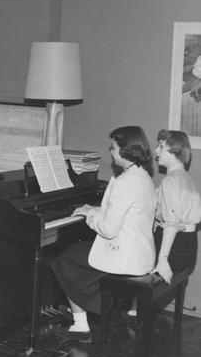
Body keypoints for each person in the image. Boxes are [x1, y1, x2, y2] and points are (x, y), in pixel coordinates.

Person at [50, 126, 157, 343]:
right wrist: (94, 209)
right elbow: (127, 214)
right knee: (79, 254)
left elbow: (108, 229)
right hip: (140, 253)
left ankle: (80, 325)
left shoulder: (125, 182)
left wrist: (89, 216)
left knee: (64, 260)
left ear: (126, 150)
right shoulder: (142, 176)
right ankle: (95, 307)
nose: (111, 151)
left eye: (114, 147)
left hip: (124, 257)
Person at [152, 130, 201, 283]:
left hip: (173, 250)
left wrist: (163, 259)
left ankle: (133, 306)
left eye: (161, 146)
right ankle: (134, 307)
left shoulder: (171, 181)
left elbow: (171, 223)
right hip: (189, 246)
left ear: (174, 151)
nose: (156, 150)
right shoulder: (186, 178)